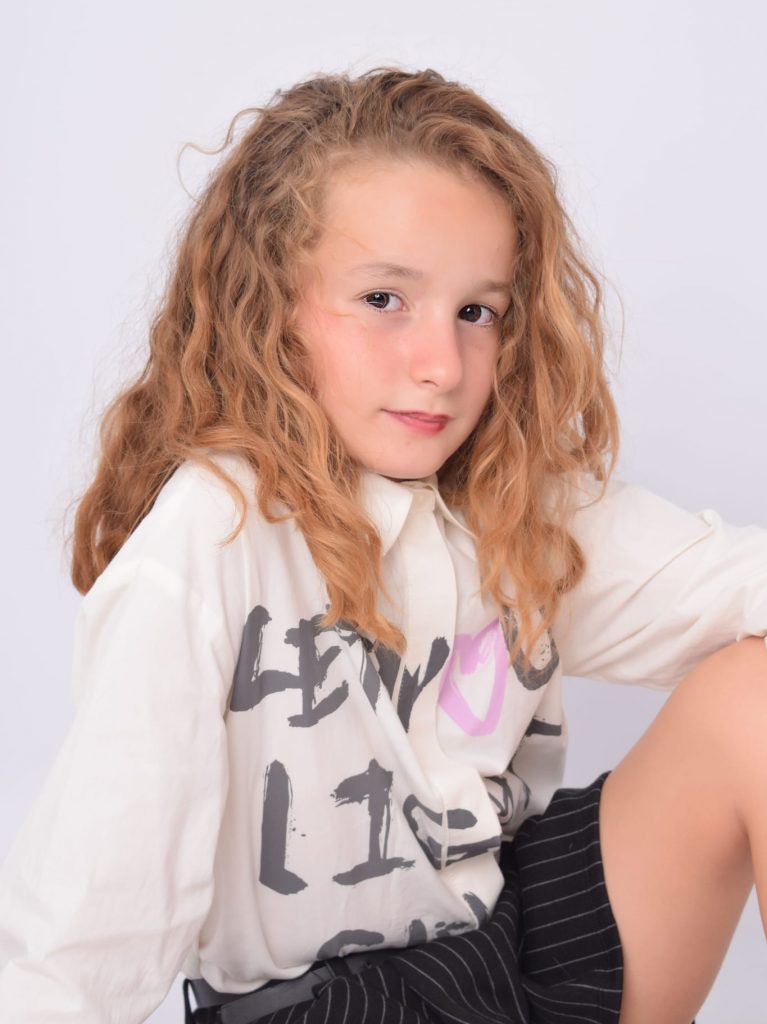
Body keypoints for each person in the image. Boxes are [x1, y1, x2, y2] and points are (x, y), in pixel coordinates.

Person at [0, 66, 765, 1024]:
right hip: (321, 1007)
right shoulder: (213, 532)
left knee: (753, 699)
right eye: (382, 299)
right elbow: (88, 923)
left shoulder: (516, 502)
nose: (441, 365)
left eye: (475, 312)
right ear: (271, 306)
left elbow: (740, 583)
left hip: (509, 945)